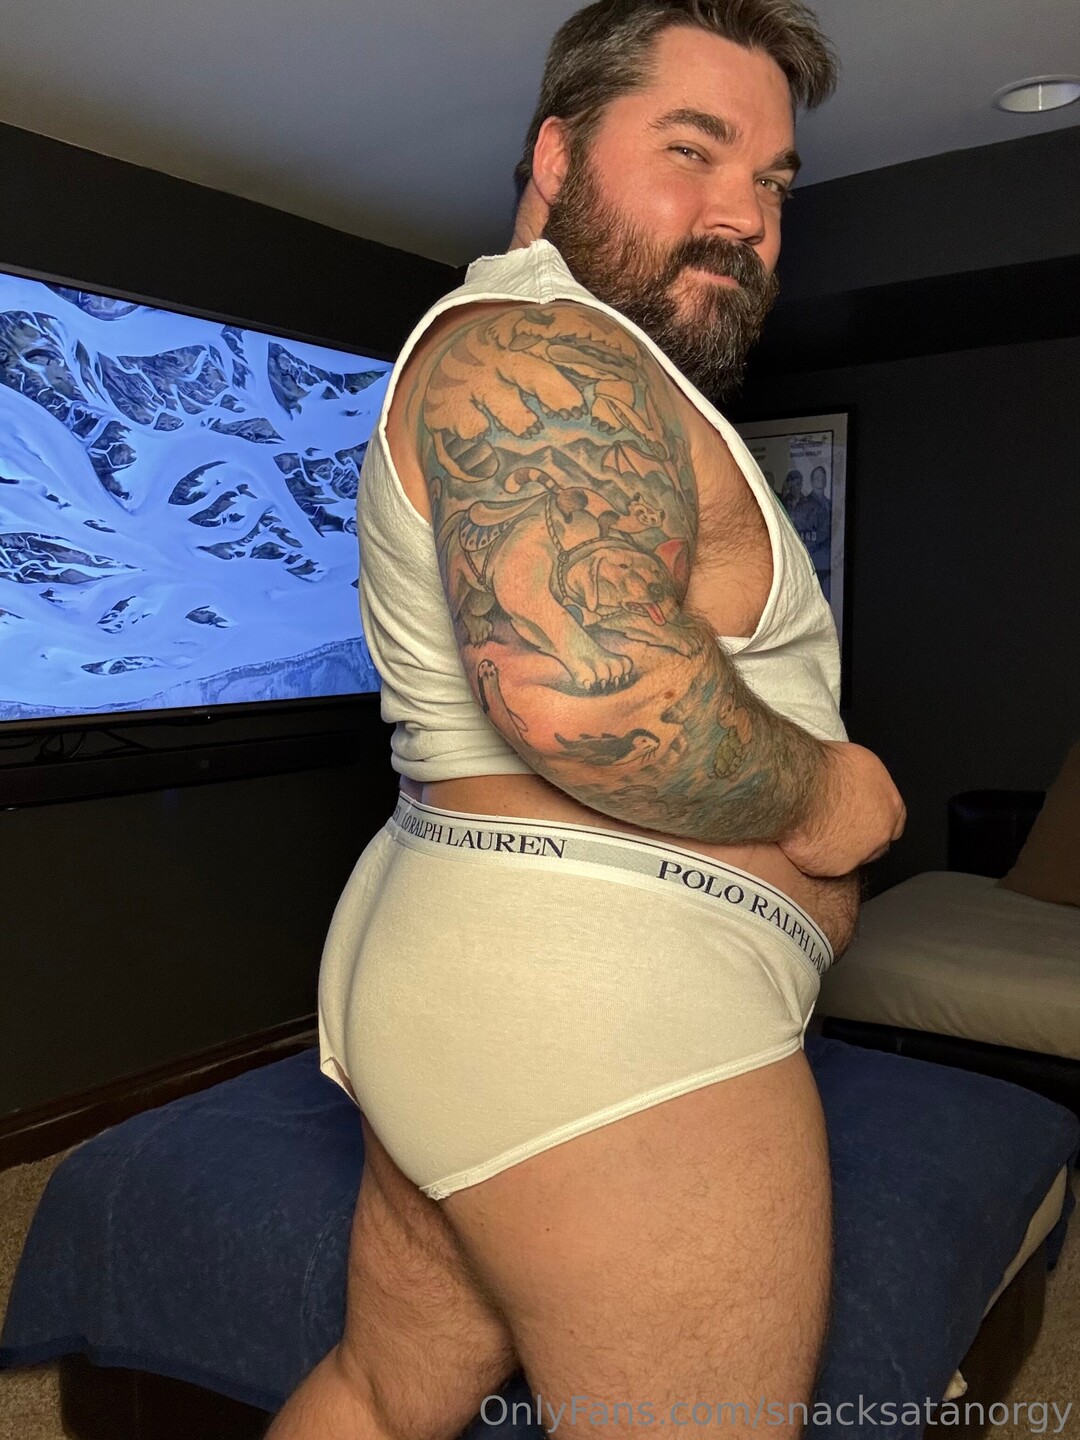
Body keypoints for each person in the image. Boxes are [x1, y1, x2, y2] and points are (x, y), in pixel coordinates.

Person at [268, 3, 905, 1437]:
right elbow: (582, 687)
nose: (744, 215)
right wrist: (830, 799)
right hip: (601, 1009)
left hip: (487, 967)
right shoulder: (537, 349)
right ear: (556, 158)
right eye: (692, 150)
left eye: (774, 181)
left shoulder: (561, 349)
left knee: (385, 1393)